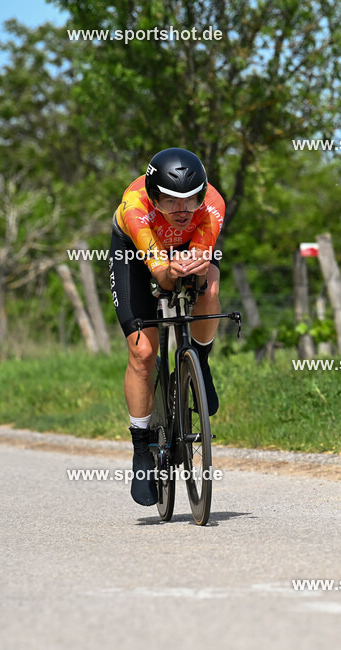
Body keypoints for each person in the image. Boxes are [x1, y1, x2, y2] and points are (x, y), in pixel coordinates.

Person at [108, 148, 225, 506]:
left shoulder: (212, 207)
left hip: (187, 251)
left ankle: (199, 362)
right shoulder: (135, 207)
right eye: (171, 201)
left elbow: (202, 263)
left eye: (191, 200)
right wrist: (169, 271)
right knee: (143, 352)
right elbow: (160, 275)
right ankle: (141, 447)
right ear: (153, 194)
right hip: (137, 254)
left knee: (210, 285)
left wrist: (198, 269)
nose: (182, 210)